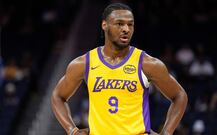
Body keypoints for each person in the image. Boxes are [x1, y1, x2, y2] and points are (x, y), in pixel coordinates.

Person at [51, 3, 188, 135]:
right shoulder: (84, 63)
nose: (126, 29)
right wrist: (72, 130)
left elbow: (179, 95)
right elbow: (58, 96)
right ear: (104, 25)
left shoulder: (147, 63)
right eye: (120, 24)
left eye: (130, 24)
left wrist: (167, 132)